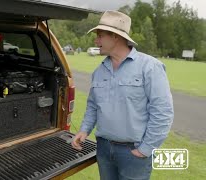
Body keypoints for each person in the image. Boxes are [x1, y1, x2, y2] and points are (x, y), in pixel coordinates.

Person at [72, 10, 174, 180]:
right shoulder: (99, 71)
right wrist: (84, 129)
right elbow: (93, 105)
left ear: (115, 36)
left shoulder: (150, 67)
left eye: (100, 35)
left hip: (133, 153)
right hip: (104, 150)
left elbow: (163, 112)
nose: (96, 41)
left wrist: (146, 148)